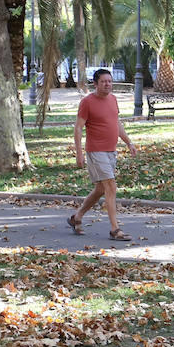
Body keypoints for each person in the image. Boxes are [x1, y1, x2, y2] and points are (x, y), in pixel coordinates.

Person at [69, 68, 137, 241]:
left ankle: (77, 217)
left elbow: (117, 123)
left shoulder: (113, 99)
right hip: (95, 150)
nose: (108, 84)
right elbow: (78, 128)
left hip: (110, 151)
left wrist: (129, 142)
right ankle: (115, 229)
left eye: (110, 81)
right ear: (95, 83)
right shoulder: (87, 102)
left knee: (101, 189)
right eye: (104, 82)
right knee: (111, 186)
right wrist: (79, 154)